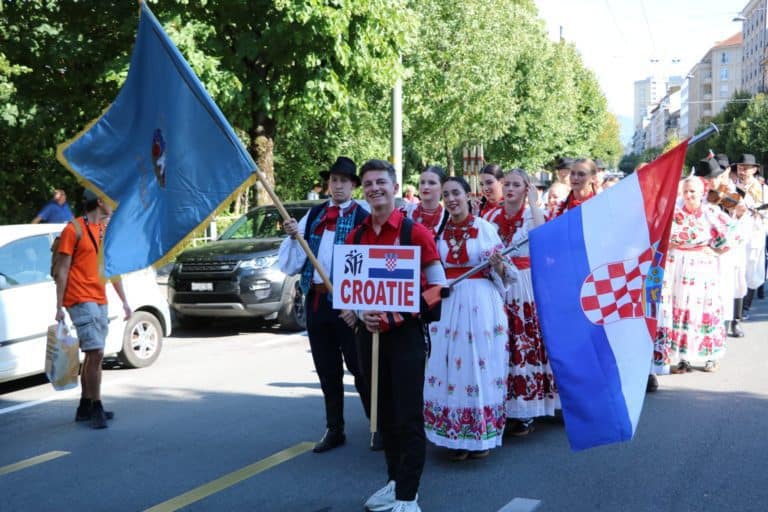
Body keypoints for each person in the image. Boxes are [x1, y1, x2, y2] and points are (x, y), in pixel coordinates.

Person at [348, 159, 446, 512]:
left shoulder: (415, 233)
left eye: (381, 182)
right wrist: (362, 312)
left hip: (405, 337)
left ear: (394, 186)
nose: (375, 188)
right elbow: (350, 291)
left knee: (407, 416)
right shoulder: (356, 236)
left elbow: (440, 288)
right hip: (368, 337)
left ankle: (408, 494)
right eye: (369, 183)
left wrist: (394, 315)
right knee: (382, 416)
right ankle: (393, 482)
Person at [279, 156, 373, 453]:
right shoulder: (315, 215)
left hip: (350, 305)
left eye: (344, 181)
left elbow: (372, 264)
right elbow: (292, 264)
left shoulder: (364, 215)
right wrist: (294, 237)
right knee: (326, 368)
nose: (338, 186)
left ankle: (377, 426)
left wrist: (357, 307)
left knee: (360, 368)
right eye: (334, 180)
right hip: (318, 302)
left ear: (354, 185)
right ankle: (335, 428)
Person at [423, 176, 511, 461]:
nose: (451, 199)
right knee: (449, 366)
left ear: (466, 195)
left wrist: (498, 266)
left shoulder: (484, 228)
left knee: (478, 365)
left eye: (455, 193)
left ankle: (480, 436)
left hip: (480, 305)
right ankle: (454, 436)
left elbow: (506, 274)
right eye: (446, 194)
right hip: (447, 307)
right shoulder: (437, 231)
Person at [485, 169, 558, 435]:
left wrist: (534, 203)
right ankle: (501, 405)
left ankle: (525, 410)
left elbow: (542, 236)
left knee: (523, 342)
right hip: (499, 284)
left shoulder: (532, 215)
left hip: (525, 284)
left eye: (518, 184)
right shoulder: (491, 215)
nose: (512, 188)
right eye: (508, 184)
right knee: (501, 345)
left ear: (527, 188)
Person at [54, 189, 131, 429]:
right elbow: (62, 270)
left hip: (100, 298)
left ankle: (85, 406)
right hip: (79, 298)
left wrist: (124, 301)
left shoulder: (104, 232)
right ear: (99, 202)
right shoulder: (73, 230)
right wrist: (58, 306)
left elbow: (112, 269)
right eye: (109, 201)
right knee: (96, 351)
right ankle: (96, 405)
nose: (113, 206)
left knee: (93, 354)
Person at [653, 175, 733, 374]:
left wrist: (715, 251)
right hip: (676, 268)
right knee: (679, 310)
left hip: (701, 268)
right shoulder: (673, 213)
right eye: (685, 191)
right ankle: (683, 358)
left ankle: (710, 356)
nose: (688, 195)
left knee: (703, 308)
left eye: (693, 191)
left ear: (702, 192)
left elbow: (732, 233)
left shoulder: (710, 212)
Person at [401, 165, 449, 239]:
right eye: (422, 182)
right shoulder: (405, 212)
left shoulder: (449, 217)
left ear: (443, 187)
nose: (425, 187)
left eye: (431, 183)